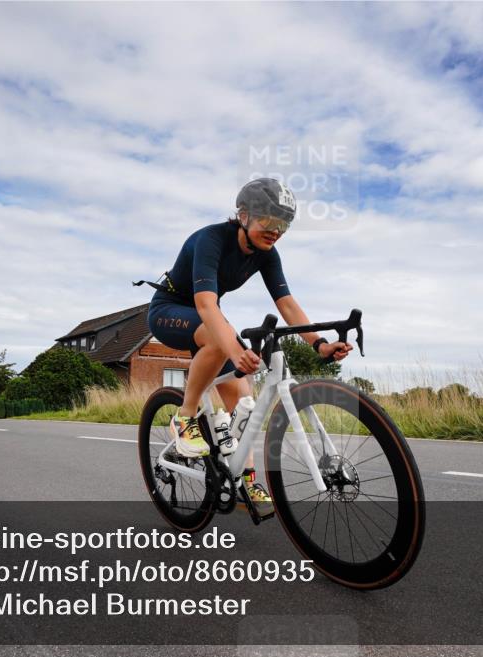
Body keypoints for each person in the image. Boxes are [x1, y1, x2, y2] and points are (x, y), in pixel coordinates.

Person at [141, 178, 353, 515]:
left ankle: (245, 479)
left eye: (283, 224)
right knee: (220, 338)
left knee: (243, 400)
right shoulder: (211, 239)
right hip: (169, 310)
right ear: (243, 215)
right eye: (268, 221)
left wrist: (319, 344)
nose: (275, 231)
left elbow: (286, 303)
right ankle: (184, 417)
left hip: (207, 315)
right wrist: (235, 350)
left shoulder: (267, 255)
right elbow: (207, 307)